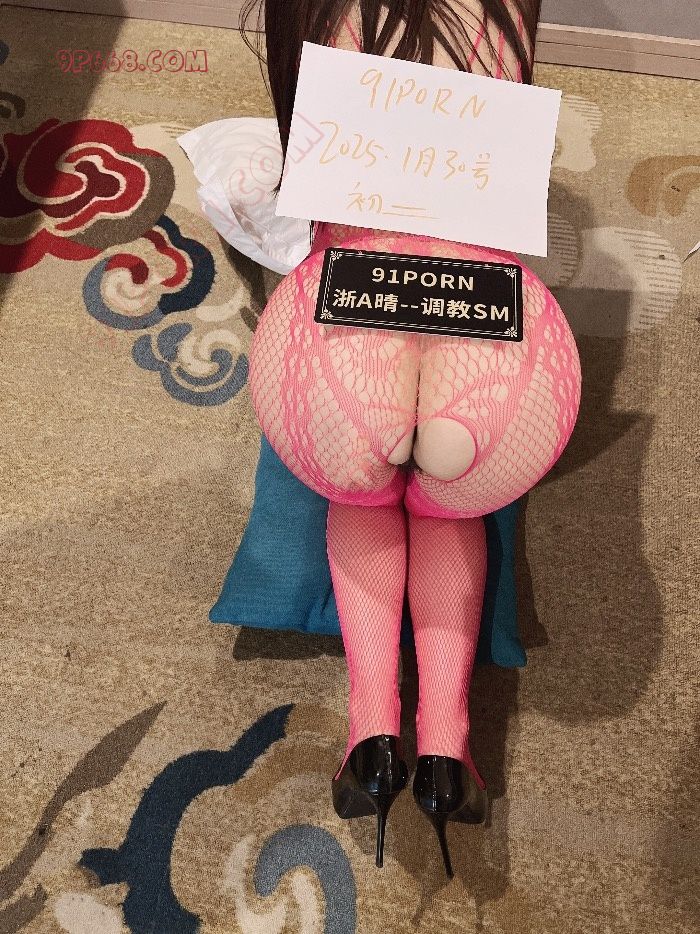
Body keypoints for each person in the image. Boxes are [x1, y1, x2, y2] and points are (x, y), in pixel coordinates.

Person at [242, 0, 581, 876]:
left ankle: (371, 734)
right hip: (492, 338)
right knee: (447, 508)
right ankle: (445, 748)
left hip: (345, 327)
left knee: (361, 491)